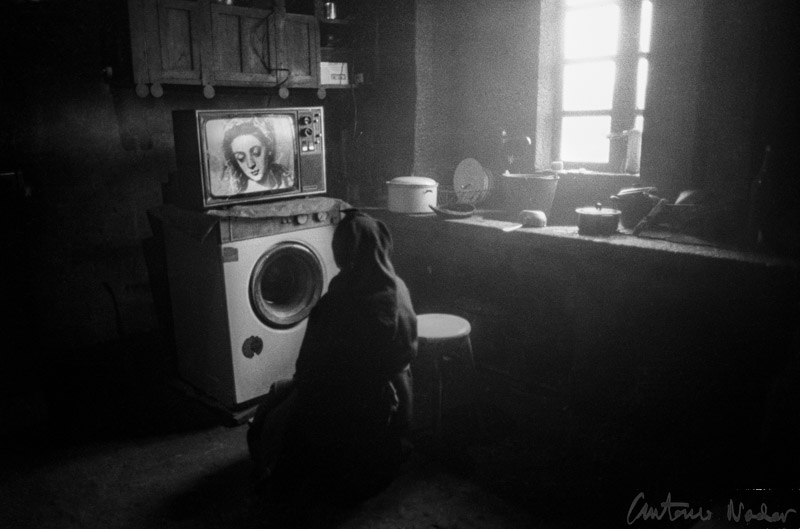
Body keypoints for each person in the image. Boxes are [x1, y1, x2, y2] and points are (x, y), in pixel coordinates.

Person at [247, 210, 417, 504]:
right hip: (388, 428)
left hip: (342, 424)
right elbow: (396, 361)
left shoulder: (336, 303)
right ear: (382, 245)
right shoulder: (398, 289)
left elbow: (308, 373)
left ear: (343, 254)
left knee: (277, 405)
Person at [220, 119, 294, 194]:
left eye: (256, 153)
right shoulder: (237, 194)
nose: (250, 164)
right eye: (241, 158)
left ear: (269, 148)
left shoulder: (287, 179)